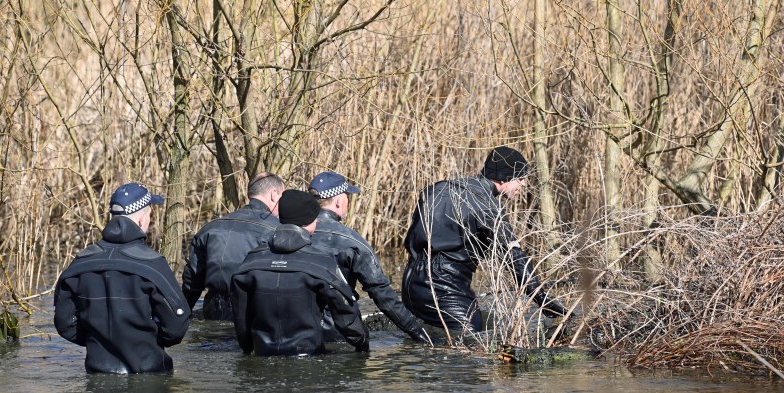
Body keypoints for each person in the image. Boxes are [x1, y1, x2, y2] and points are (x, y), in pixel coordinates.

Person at [402, 146, 568, 333]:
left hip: (410, 284)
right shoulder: (488, 206)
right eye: (520, 179)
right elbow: (514, 257)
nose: (524, 184)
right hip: (443, 288)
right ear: (504, 178)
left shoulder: (436, 189)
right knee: (471, 342)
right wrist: (542, 299)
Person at [54, 182, 191, 373]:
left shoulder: (79, 263)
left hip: (97, 374)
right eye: (150, 215)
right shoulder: (153, 263)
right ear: (142, 220)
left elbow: (64, 323)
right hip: (149, 375)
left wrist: (97, 341)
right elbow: (177, 325)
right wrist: (151, 340)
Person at [231, 189, 370, 357]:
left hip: (262, 356)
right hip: (308, 360)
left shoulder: (251, 260)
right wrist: (363, 345)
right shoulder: (322, 263)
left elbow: (241, 320)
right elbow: (346, 315)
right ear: (311, 221)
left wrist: (247, 349)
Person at [308, 170, 429, 343]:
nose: (348, 202)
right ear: (338, 201)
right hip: (339, 336)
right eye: (347, 197)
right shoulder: (352, 242)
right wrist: (416, 331)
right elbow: (382, 294)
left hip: (292, 333)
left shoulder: (284, 234)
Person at [182, 172, 285, 319]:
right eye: (283, 196)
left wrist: (181, 315)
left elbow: (192, 281)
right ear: (274, 194)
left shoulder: (211, 228)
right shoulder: (277, 231)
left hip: (212, 312)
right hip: (252, 315)